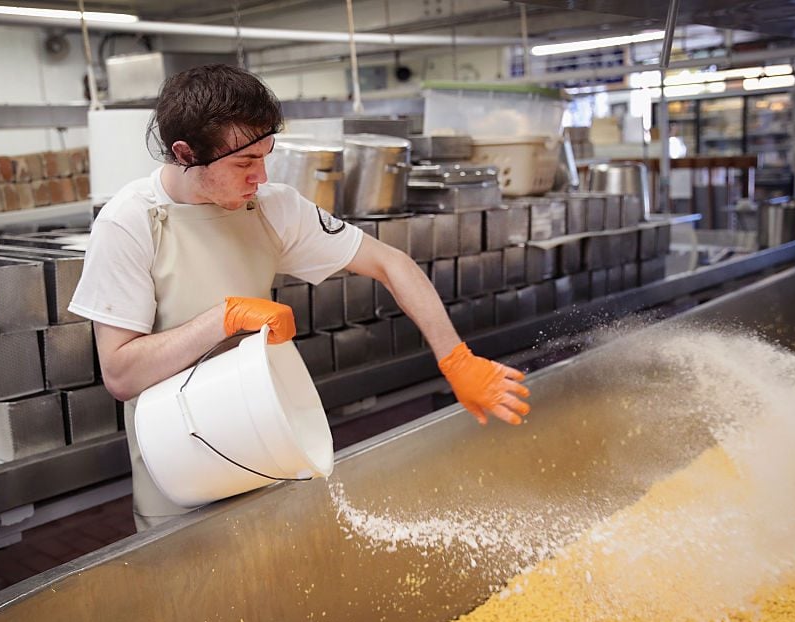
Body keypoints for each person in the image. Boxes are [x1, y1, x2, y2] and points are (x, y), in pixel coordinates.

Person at [69, 64, 530, 531]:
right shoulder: (128, 224)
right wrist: (224, 318)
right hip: (179, 463)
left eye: (266, 157)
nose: (260, 176)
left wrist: (456, 359)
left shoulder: (273, 207)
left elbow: (391, 263)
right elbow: (121, 374)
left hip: (266, 438)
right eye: (244, 164)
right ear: (186, 153)